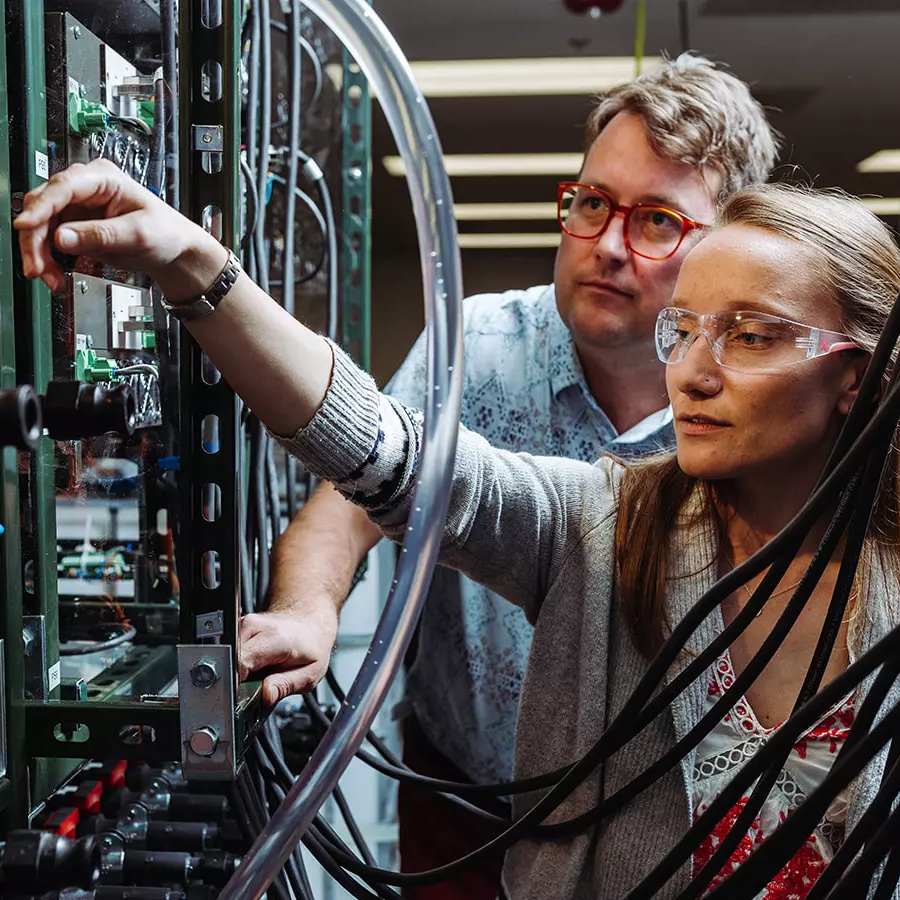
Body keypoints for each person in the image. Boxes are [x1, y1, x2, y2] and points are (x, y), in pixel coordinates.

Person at [16, 158, 900, 897]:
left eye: (749, 336)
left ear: (854, 376)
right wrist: (196, 266)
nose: (696, 375)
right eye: (687, 331)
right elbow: (384, 452)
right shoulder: (602, 524)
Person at [239, 54, 779, 897]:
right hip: (464, 799)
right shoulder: (478, 347)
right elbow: (350, 500)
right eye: (593, 204)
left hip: (668, 818)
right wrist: (307, 611)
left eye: (658, 222)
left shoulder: (757, 394)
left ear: (730, 241)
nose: (607, 246)